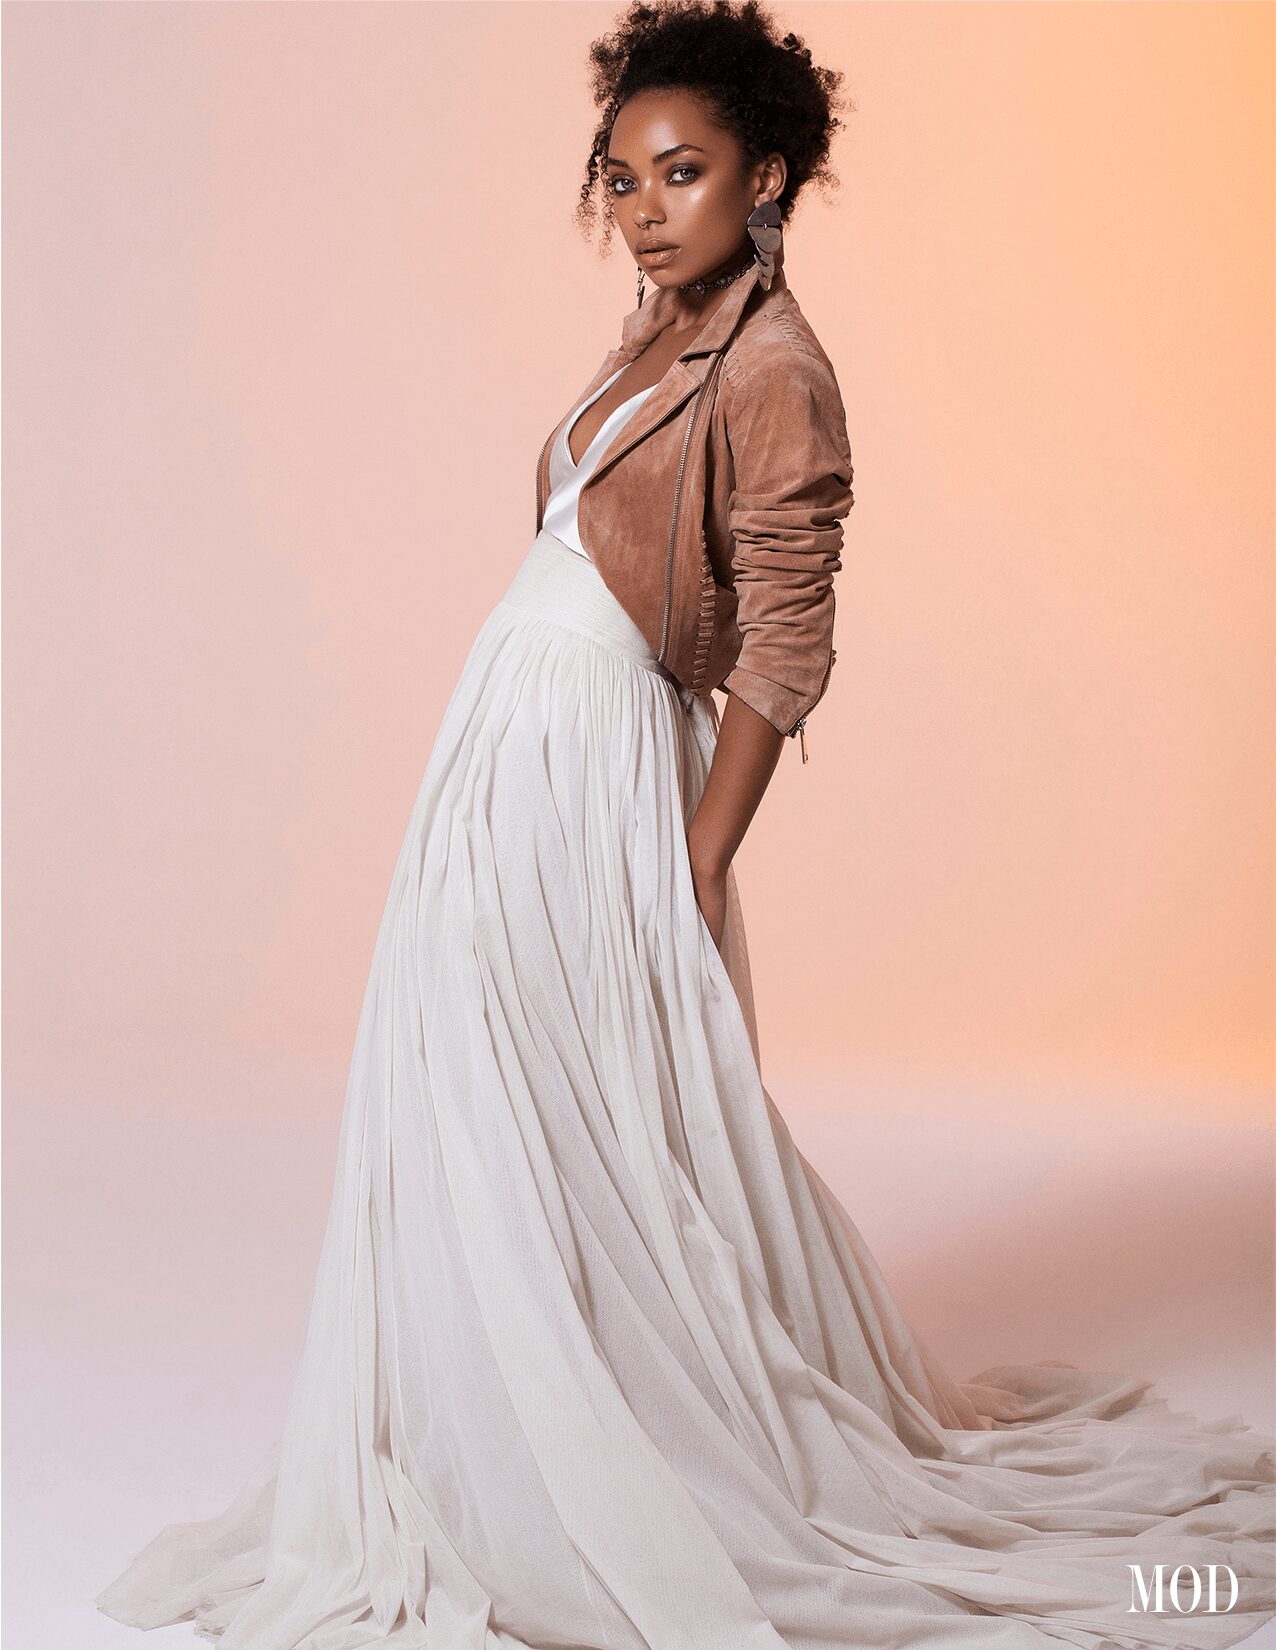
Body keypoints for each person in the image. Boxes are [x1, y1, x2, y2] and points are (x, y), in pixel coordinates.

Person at [96, 3, 1275, 1646]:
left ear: (765, 177)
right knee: (480, 1076)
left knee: (563, 1087)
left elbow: (787, 643)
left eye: (683, 173)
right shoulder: (657, 326)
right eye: (624, 176)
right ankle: (507, 1431)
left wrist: (698, 858)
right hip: (508, 745)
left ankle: (612, 1455)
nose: (646, 208)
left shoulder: (779, 370)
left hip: (593, 764)